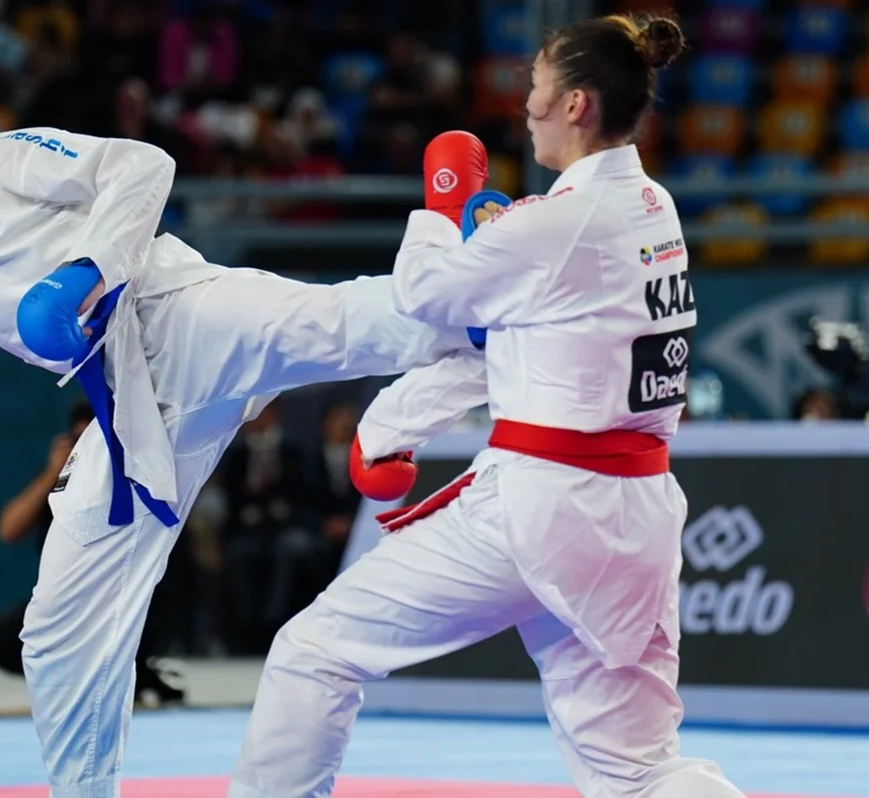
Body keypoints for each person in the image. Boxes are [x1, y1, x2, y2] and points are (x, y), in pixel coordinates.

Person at [0, 71, 471, 798]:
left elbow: (143, 164)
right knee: (53, 632)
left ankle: (468, 265)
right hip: (132, 411)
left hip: (179, 310)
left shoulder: (2, 160)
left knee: (334, 327)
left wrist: (89, 269)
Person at [228, 14, 748, 798]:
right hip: (633, 515)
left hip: (541, 507)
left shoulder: (564, 220)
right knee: (638, 770)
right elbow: (534, 322)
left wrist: (443, 206)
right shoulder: (651, 209)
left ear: (575, 104)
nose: (525, 106)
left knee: (316, 650)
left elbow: (424, 295)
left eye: (535, 89)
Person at [0, 401, 183, 705]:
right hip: (69, 596)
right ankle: (68, 679)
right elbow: (9, 530)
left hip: (124, 595)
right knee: (2, 638)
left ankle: (135, 670)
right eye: (79, 439)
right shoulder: (63, 475)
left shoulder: (139, 470)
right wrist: (53, 472)